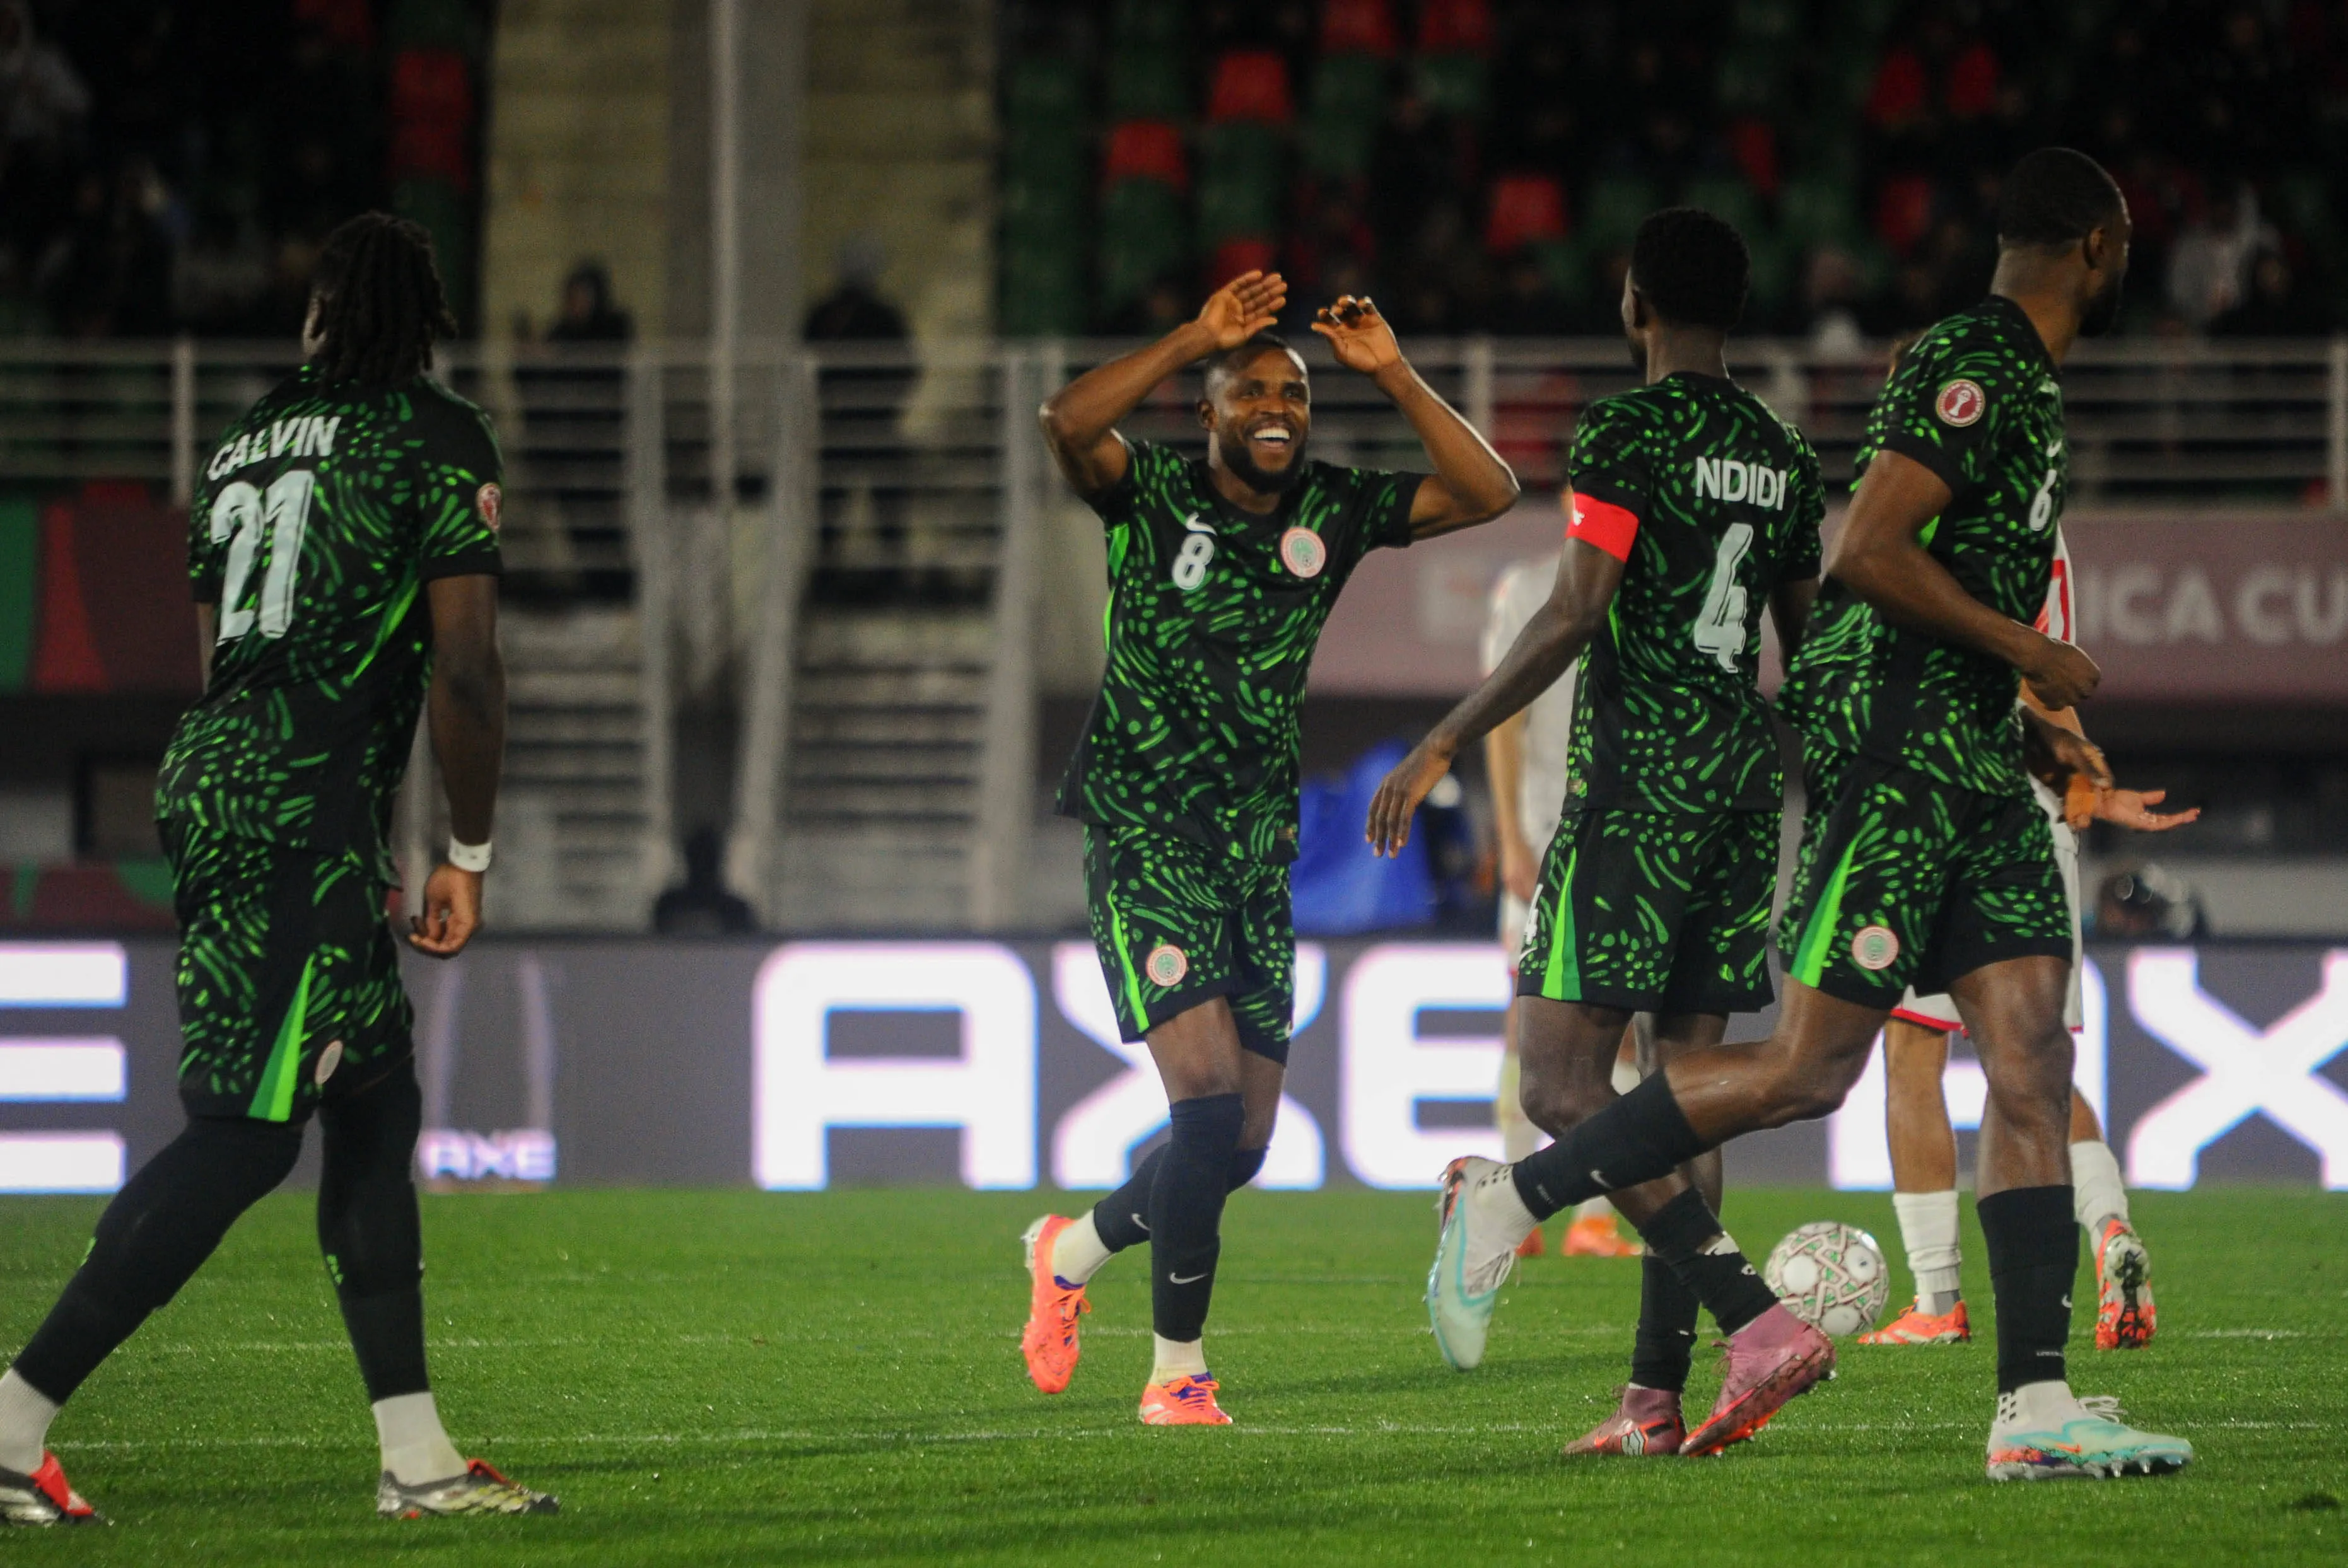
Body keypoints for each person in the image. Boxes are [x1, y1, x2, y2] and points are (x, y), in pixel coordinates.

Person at [1381, 148, 2195, 1481]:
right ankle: (1519, 1195)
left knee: (2030, 1054)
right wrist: (2021, 655)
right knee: (1799, 1073)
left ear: (1636, 302)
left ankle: (2032, 1403)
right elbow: (1855, 565)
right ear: (2097, 249)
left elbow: (1771, 610)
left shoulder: (1674, 425)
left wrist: (2032, 718)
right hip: (1868, 769)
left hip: (1920, 762)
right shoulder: (1931, 377)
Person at [0, 213, 556, 1526]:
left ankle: (416, 1462)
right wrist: (462, 851)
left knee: (373, 1110)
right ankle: (13, 1422)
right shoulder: (436, 437)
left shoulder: (244, 440)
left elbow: (219, 645)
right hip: (304, 797)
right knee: (244, 1135)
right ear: (424, 324)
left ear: (317, 316)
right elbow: (466, 665)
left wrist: (308, 812)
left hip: (233, 775)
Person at [1017, 269, 1521, 1426]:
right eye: (1249, 388)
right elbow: (1064, 421)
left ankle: (1071, 1252)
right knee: (1201, 1115)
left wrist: (1390, 372)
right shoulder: (1145, 493)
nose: (1275, 405)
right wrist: (1195, 331)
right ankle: (1174, 1371)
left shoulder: (1332, 513)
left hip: (1255, 849)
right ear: (1208, 414)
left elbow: (1487, 492)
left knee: (1241, 1142)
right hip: (1147, 834)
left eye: (1291, 391)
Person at [1368, 207, 1824, 1458]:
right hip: (1741, 794)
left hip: (1638, 798)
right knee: (1682, 1103)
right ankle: (1650, 1399)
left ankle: (1754, 1321)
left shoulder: (1627, 431)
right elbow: (1811, 644)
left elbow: (1576, 611)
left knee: (1557, 1081)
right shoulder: (1782, 451)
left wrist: (1448, 733)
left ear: (1633, 305)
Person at [1862, 523, 2196, 1351]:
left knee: (1912, 1050)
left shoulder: (1908, 517)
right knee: (2029, 1059)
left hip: (1934, 803)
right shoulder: (2037, 526)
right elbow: (2048, 685)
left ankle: (1937, 1295)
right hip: (2039, 806)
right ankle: (2107, 1227)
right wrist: (2085, 777)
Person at [1481, 557, 1638, 1263]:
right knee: (1526, 1022)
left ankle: (1595, 1219)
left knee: (1622, 1032)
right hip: (1547, 832)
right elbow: (1502, 719)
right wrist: (1511, 835)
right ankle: (1517, 1210)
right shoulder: (1526, 588)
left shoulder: (1650, 579)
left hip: (1632, 836)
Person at [652, 823, 757, 935]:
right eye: (699, 859)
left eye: (707, 859)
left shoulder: (669, 905)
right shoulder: (668, 905)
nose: (703, 865)